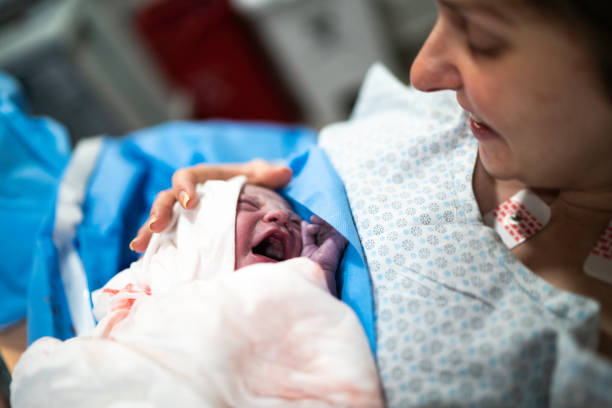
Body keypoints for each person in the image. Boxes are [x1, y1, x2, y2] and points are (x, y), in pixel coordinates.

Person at [131, 1, 612, 406]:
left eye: (482, 40)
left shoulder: (574, 351)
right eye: (440, 13)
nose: (421, 73)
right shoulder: (443, 120)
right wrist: (243, 195)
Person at [11, 177, 382, 407]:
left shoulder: (284, 292)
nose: (281, 217)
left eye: (298, 225)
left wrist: (308, 281)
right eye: (248, 206)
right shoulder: (139, 314)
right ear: (192, 241)